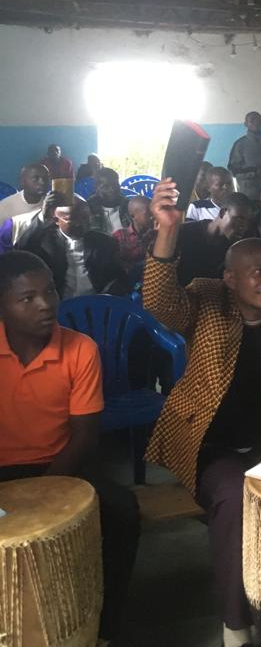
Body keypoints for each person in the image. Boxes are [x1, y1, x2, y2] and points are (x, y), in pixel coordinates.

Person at [144, 178, 261, 647]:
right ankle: (237, 625)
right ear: (231, 279)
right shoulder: (206, 300)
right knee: (238, 499)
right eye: (257, 272)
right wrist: (166, 232)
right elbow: (159, 302)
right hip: (210, 445)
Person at [0, 251, 140, 644]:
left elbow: (84, 436)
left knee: (121, 511)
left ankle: (103, 628)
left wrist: (43, 495)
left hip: (60, 466)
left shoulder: (80, 349)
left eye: (49, 293)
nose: (45, 304)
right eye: (27, 299)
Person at [18, 194, 129, 298]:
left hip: (96, 305)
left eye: (85, 218)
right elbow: (21, 251)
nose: (80, 224)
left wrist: (106, 297)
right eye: (72, 219)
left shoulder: (104, 242)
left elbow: (120, 278)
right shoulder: (45, 242)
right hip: (59, 306)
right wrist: (42, 217)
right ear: (56, 220)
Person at [176, 192, 255, 285]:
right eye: (239, 219)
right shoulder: (184, 233)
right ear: (222, 213)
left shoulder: (236, 249)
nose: (244, 227)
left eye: (247, 222)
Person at [227, 111, 261, 201]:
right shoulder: (240, 145)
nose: (256, 122)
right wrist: (254, 173)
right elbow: (233, 170)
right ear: (245, 124)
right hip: (248, 194)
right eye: (252, 120)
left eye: (259, 120)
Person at [113, 196, 155, 272]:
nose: (152, 216)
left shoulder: (157, 233)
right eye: (147, 213)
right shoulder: (119, 237)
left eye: (153, 212)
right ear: (133, 216)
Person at [88, 168, 130, 234]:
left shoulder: (127, 206)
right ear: (96, 188)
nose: (112, 190)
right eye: (106, 186)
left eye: (115, 185)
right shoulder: (89, 208)